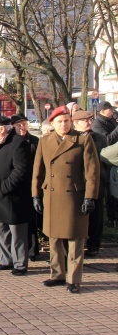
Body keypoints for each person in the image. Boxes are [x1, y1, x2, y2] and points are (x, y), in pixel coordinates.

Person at [32, 106, 100, 293]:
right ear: (52, 123)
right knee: (53, 237)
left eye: (67, 121)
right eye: (60, 122)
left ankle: (74, 278)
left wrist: (90, 197)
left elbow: (92, 172)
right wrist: (35, 194)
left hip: (74, 197)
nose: (64, 125)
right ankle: (57, 274)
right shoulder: (45, 141)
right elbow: (38, 171)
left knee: (75, 238)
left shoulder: (82, 140)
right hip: (52, 195)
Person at [0, 116, 32, 276]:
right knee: (0, 229)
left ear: (2, 129)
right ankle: (6, 260)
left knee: (17, 232)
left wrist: (5, 187)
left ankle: (20, 264)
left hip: (13, 197)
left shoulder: (18, 143)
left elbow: (21, 170)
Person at [72, 109, 107, 257]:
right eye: (85, 121)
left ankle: (94, 245)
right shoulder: (72, 137)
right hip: (77, 184)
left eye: (90, 120)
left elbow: (104, 159)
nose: (88, 123)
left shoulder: (99, 138)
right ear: (76, 123)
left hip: (97, 182)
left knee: (96, 216)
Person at [11, 113, 41, 260]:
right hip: (16, 185)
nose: (22, 127)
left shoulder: (34, 141)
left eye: (24, 124)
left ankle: (33, 249)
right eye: (18, 125)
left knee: (31, 219)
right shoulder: (11, 142)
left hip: (31, 183)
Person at [91, 100, 118, 228]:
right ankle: (111, 217)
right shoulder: (97, 124)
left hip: (114, 158)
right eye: (110, 109)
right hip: (106, 159)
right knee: (109, 189)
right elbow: (106, 140)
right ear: (102, 111)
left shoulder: (111, 119)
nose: (112, 111)